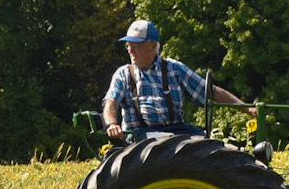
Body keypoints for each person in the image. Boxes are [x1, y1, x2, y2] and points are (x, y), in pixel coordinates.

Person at [102, 20, 252, 141]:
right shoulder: (123, 74)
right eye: (129, 46)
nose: (131, 50)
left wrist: (249, 109)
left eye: (137, 45)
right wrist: (112, 124)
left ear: (153, 45)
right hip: (141, 135)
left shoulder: (174, 69)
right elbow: (111, 102)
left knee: (208, 145)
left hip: (178, 130)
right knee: (168, 142)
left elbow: (209, 92)